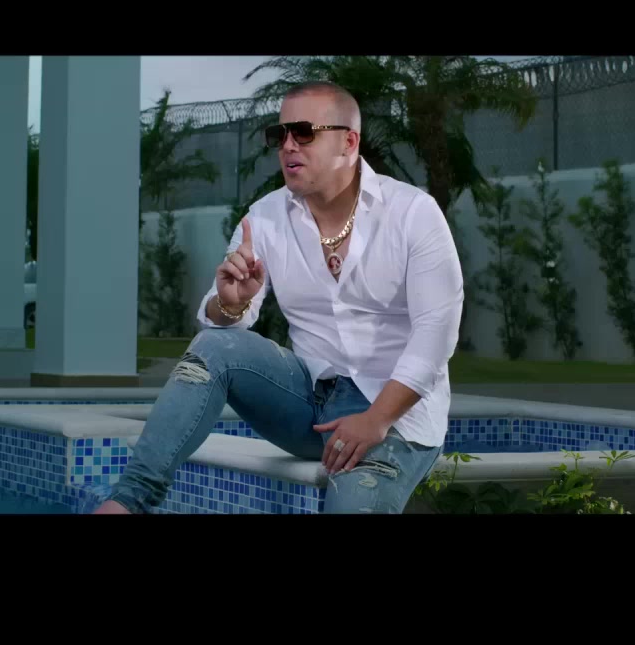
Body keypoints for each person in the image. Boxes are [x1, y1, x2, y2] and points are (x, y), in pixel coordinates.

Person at [94, 81, 464, 514]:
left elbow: (436, 333)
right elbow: (220, 318)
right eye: (279, 134)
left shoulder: (412, 213)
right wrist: (231, 303)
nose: (288, 145)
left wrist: (377, 418)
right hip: (309, 405)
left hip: (396, 417)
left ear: (348, 142)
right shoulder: (265, 217)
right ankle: (125, 503)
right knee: (214, 346)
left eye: (304, 132)